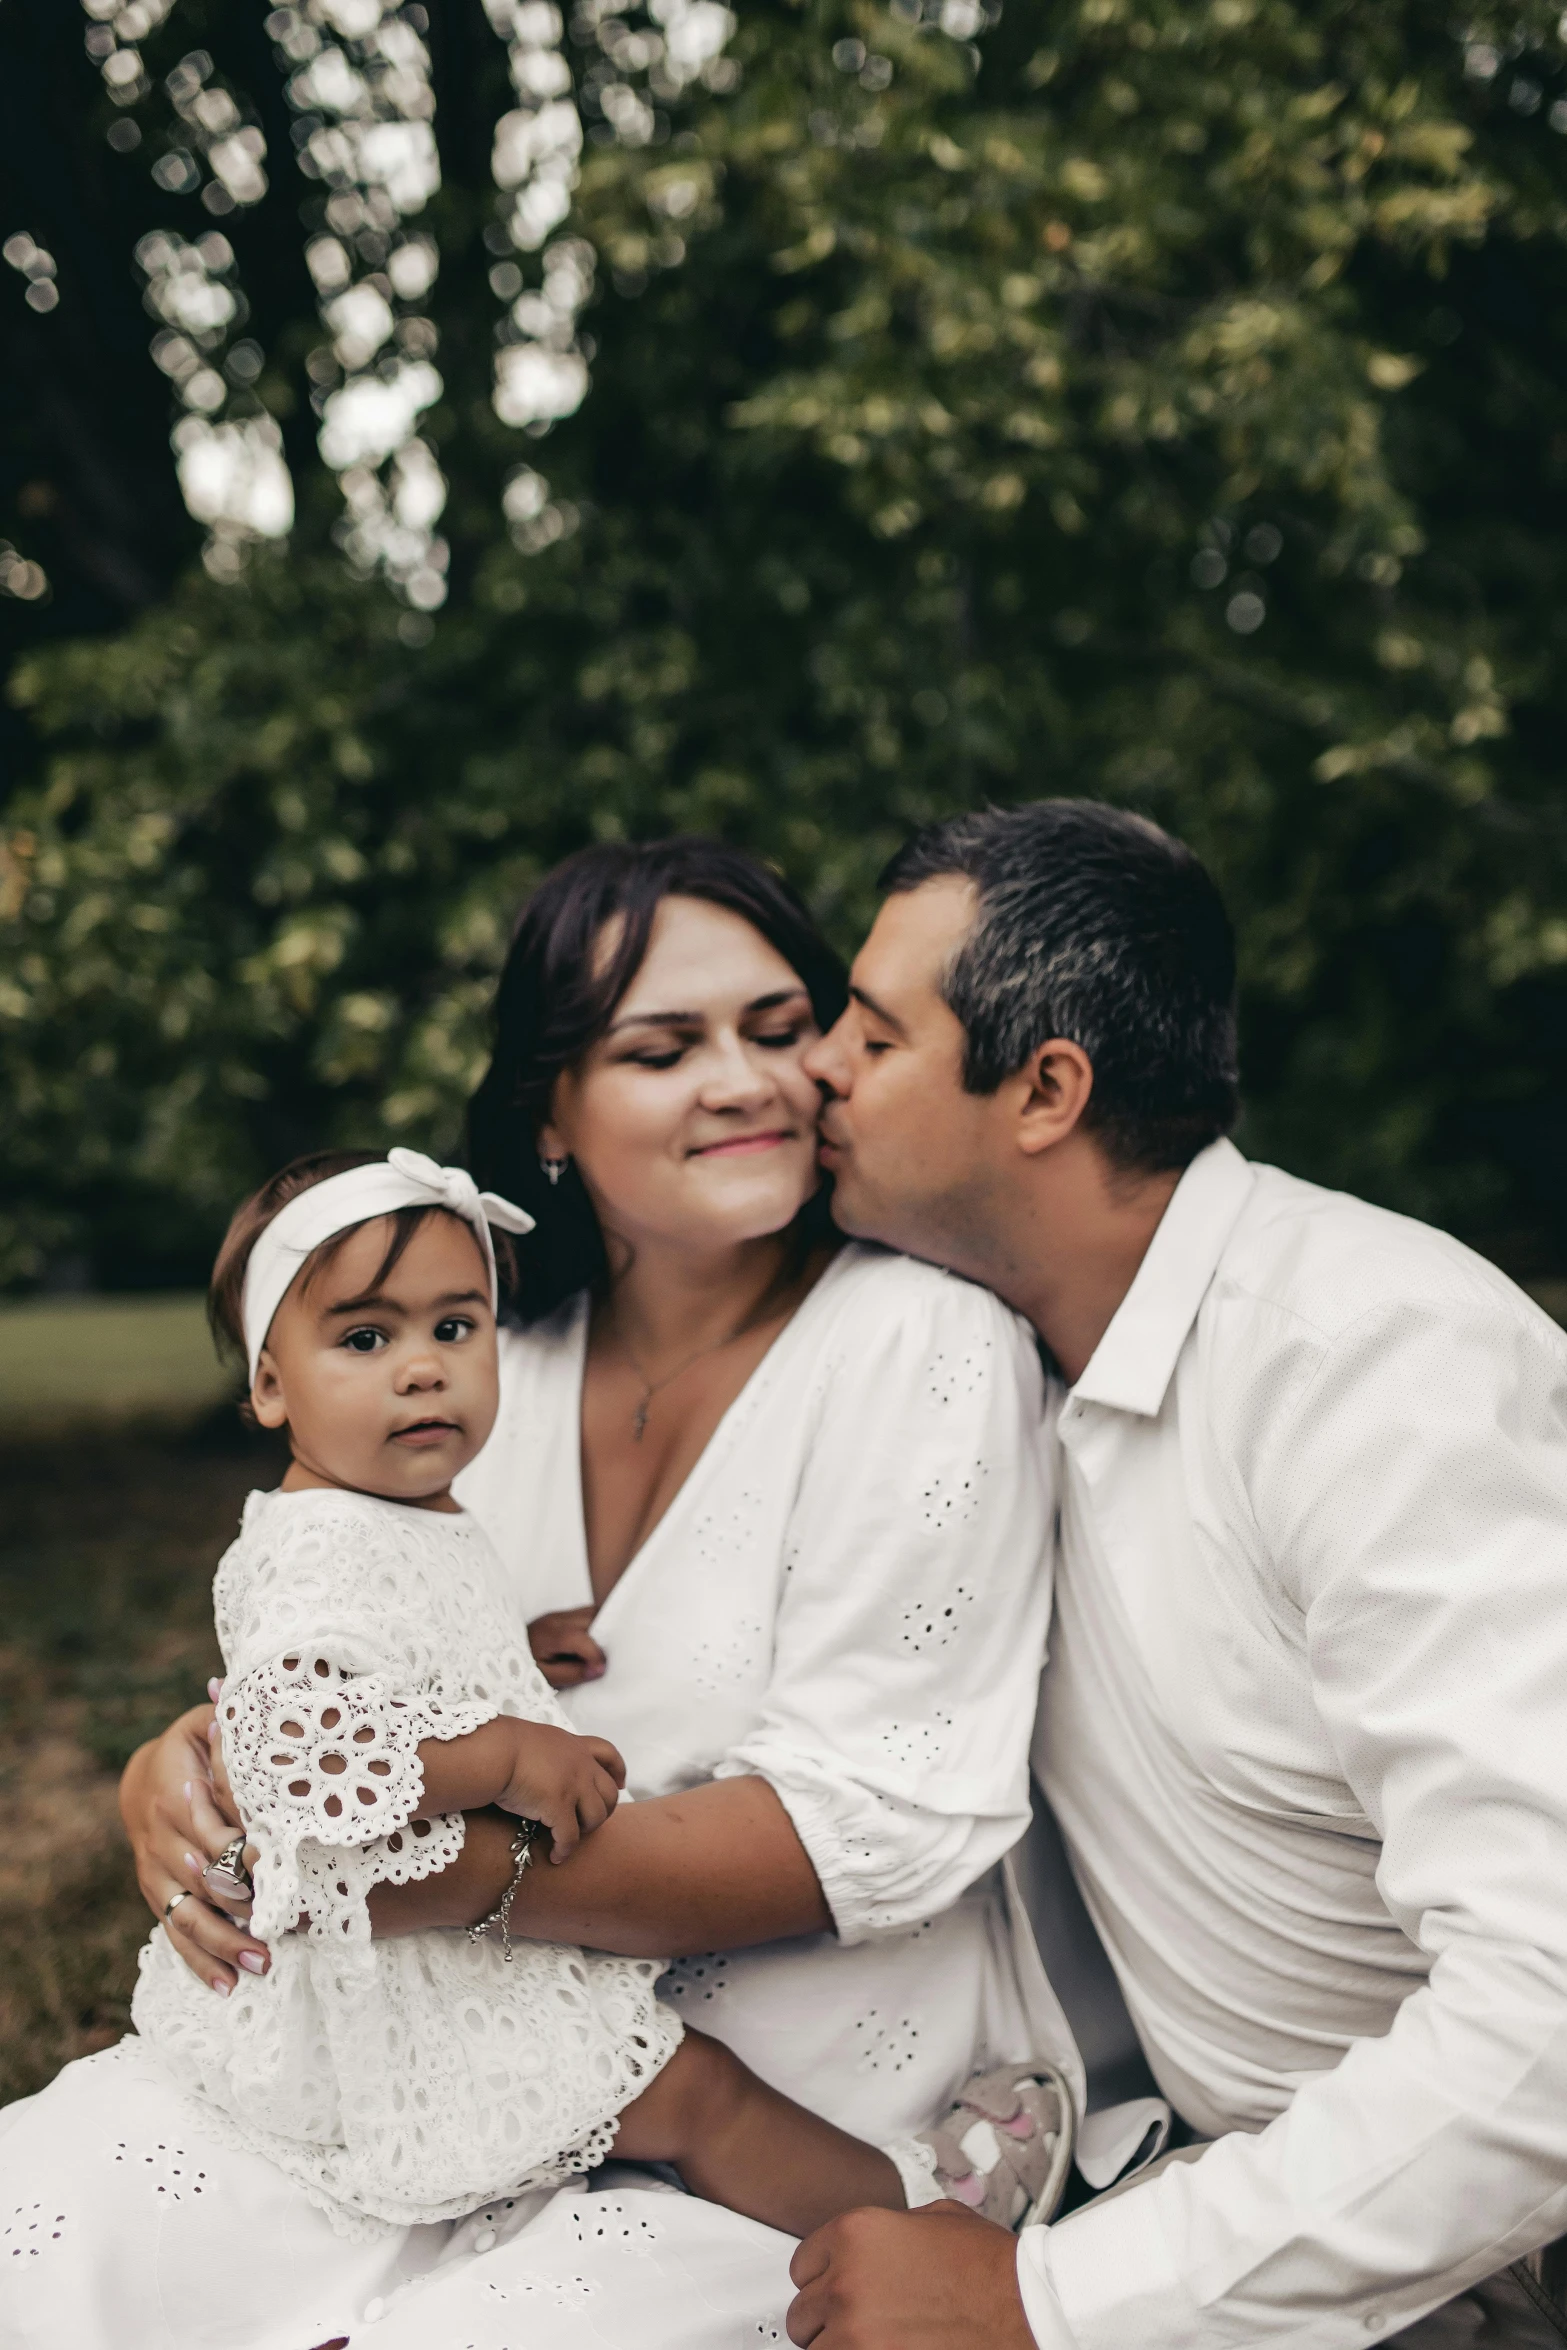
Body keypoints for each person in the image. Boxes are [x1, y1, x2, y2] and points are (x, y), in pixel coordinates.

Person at [30, 839, 1069, 2347]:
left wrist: (424, 1876)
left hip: (778, 2082)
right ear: (552, 1116)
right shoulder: (483, 1368)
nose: (748, 1081)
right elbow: (345, 1664)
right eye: (664, 1048)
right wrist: (171, 1780)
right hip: (417, 2052)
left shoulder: (919, 1343)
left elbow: (886, 1816)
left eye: (781, 1028)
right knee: (60, 2235)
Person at [784, 800, 1567, 2350]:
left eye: (871, 1037)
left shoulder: (1366, 1365)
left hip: (1473, 2249)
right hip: (1216, 2202)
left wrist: (1050, 2307)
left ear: (1045, 1089)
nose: (813, 1065)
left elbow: (1549, 2017)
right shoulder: (968, 1367)